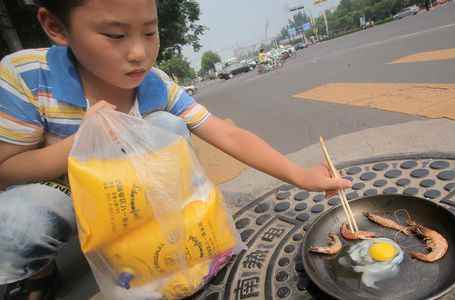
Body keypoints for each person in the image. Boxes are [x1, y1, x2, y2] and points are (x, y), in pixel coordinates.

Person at [0, 1, 352, 299]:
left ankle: (166, 248)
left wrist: (301, 176)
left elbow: (226, 134)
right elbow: (6, 167)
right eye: (115, 35)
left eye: (150, 32)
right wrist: (81, 143)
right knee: (19, 223)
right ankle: (41, 272)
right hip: (63, 192)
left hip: (129, 204)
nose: (139, 53)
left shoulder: (155, 84)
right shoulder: (29, 76)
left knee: (168, 126)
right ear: (56, 27)